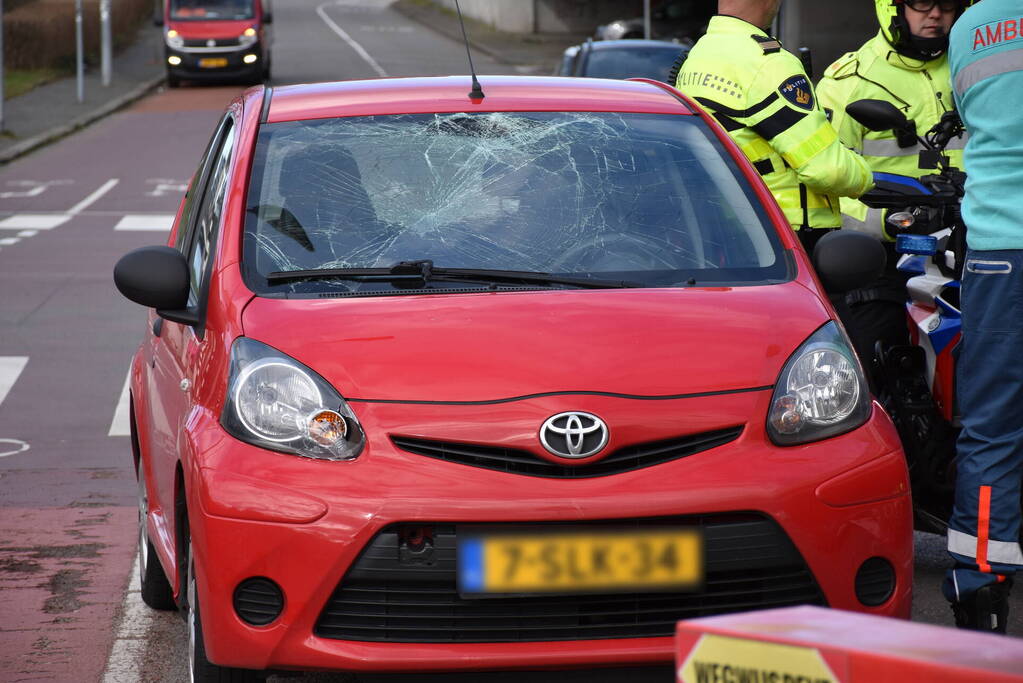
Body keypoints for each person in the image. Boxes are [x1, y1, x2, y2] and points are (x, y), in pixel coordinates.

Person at [816, 0, 967, 364]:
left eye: (947, 3)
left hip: (972, 241)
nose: (936, 13)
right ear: (892, 7)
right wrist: (891, 221)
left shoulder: (971, 67)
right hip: (886, 256)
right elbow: (824, 188)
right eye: (922, 2)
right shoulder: (850, 81)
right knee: (871, 356)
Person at [942, 0, 1023, 634]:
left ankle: (979, 588)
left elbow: (969, 116)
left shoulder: (971, 28)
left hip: (997, 251)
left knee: (992, 425)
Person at [674, 0, 874, 257]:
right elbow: (830, 171)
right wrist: (868, 177)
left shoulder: (700, 54)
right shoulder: (767, 63)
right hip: (787, 237)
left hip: (731, 229)